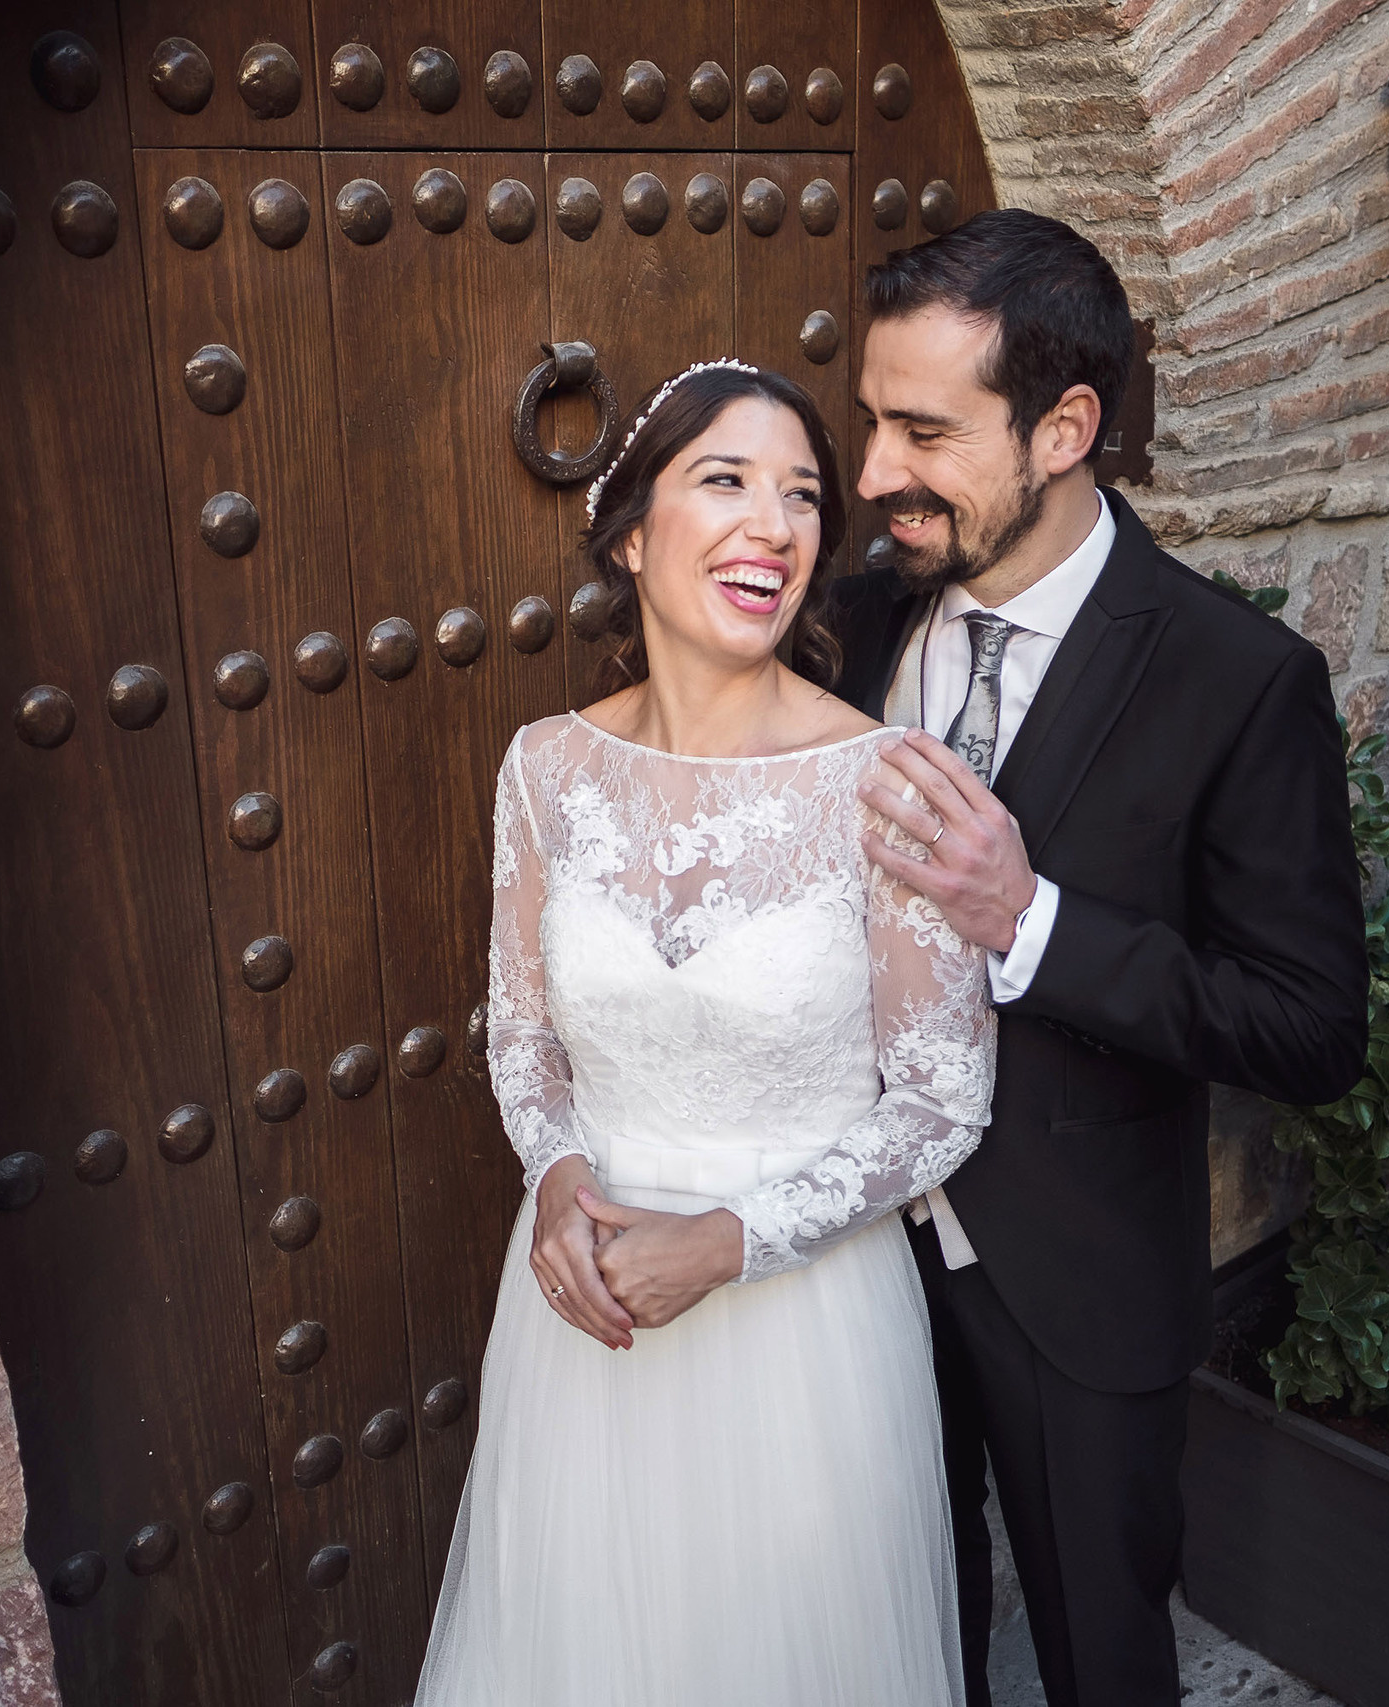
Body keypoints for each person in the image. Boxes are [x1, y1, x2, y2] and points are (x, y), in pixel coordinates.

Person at [827, 210, 1370, 1705]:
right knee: (899, 1624)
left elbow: (1313, 1028)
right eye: (872, 418)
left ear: (1066, 426)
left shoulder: (1240, 680)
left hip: (1074, 1282)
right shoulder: (857, 617)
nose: (872, 474)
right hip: (847, 1261)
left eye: (923, 431)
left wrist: (1032, 923)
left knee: (1101, 1654)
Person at [414, 361, 997, 1707]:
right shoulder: (546, 768)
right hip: (585, 1318)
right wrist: (557, 1179)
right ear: (631, 534)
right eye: (725, 480)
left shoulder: (888, 784)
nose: (778, 524)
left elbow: (940, 1100)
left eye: (801, 495)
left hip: (803, 1333)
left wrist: (727, 1244)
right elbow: (522, 1039)